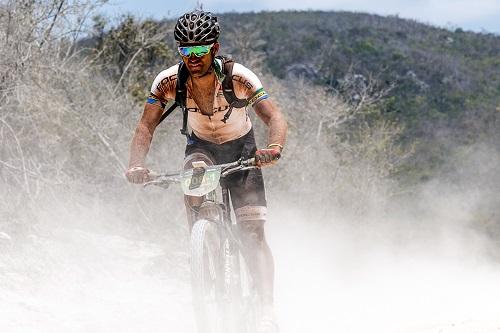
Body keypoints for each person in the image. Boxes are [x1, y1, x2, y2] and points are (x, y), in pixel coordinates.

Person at [125, 10, 287, 333]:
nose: (193, 57)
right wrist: (136, 164)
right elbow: (146, 126)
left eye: (200, 50)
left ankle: (267, 309)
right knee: (194, 174)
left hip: (243, 150)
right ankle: (204, 253)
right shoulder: (168, 81)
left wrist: (273, 149)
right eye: (185, 50)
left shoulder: (238, 77)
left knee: (253, 232)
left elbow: (275, 117)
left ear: (214, 47)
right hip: (201, 148)